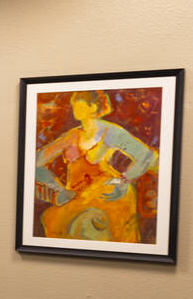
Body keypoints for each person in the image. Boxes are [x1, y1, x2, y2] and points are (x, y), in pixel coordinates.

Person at [35, 89, 157, 243]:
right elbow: (35, 163)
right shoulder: (71, 136)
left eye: (79, 106)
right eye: (74, 106)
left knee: (90, 225)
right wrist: (58, 189)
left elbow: (147, 156)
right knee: (56, 222)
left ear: (92, 107)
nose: (75, 110)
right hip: (77, 196)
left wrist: (124, 180)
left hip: (106, 193)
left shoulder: (110, 132)